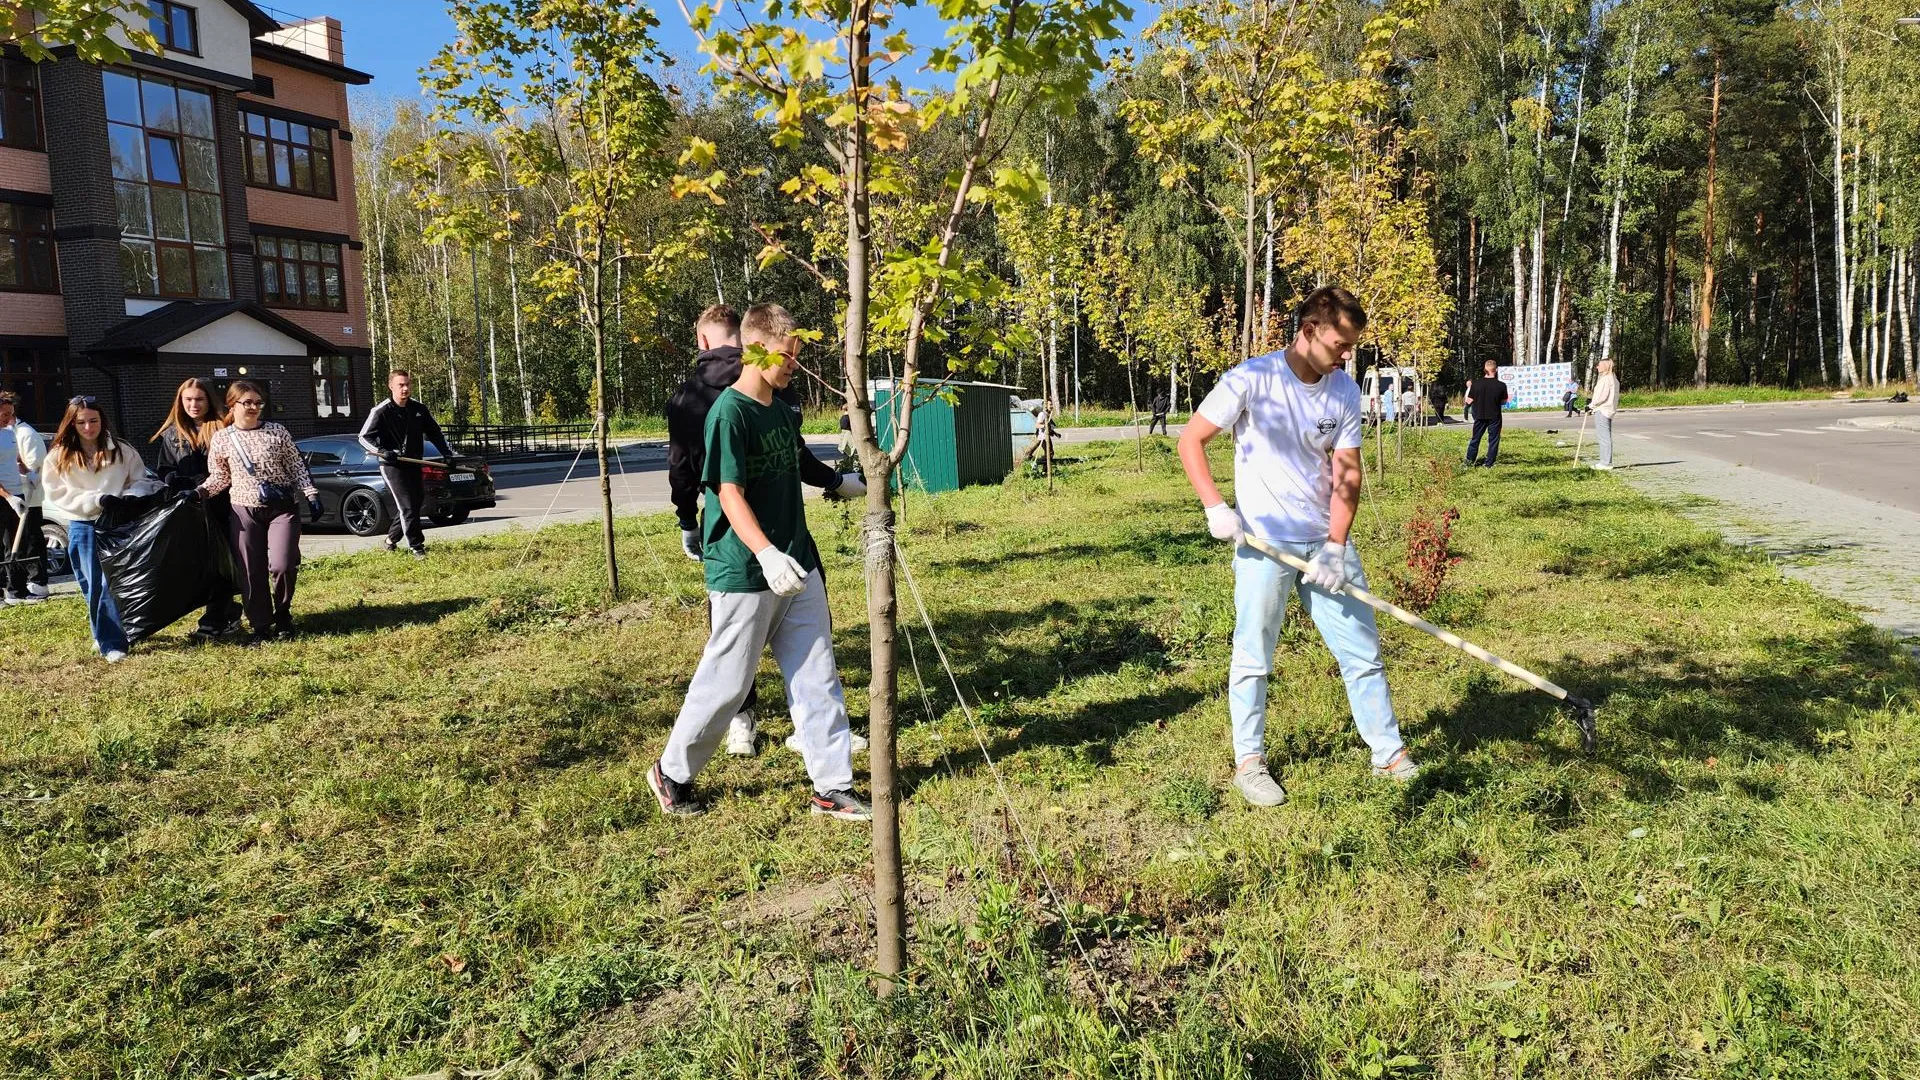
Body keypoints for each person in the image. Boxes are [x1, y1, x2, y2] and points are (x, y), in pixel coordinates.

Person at [1176, 287, 1419, 809]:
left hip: (1322, 542)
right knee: (1253, 655)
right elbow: (1190, 440)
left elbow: (1347, 470)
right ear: (1309, 330)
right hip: (1264, 544)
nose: (1347, 353)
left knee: (1362, 653)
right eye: (1340, 342)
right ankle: (1250, 762)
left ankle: (1389, 754)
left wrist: (1336, 545)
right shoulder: (1252, 379)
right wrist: (1216, 507)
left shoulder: (1343, 391)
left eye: (1352, 344)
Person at [648, 303, 871, 821]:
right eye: (787, 355)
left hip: (797, 562)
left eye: (796, 355)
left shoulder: (779, 406)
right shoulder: (729, 412)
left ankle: (831, 785)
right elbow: (728, 494)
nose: (795, 364)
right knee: (728, 682)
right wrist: (766, 553)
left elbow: (795, 459)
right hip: (746, 570)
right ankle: (672, 772)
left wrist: (839, 483)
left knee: (817, 674)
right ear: (754, 349)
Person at [198, 381, 322, 644]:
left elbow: (296, 466)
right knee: (251, 571)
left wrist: (311, 494)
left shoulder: (277, 431)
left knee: (282, 564)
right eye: (248, 403)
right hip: (244, 510)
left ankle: (284, 613)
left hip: (281, 509)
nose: (254, 407)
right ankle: (260, 626)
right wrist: (200, 492)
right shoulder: (222, 438)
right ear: (232, 405)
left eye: (258, 402)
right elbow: (219, 476)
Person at [41, 396, 148, 662]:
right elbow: (56, 492)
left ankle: (112, 638)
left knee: (111, 583)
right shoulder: (60, 454)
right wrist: (94, 500)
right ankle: (106, 638)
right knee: (92, 585)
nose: (88, 427)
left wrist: (130, 497)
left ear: (102, 420)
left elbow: (141, 479)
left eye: (93, 421)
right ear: (71, 423)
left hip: (117, 523)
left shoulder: (122, 450)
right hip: (83, 524)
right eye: (81, 422)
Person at [152, 378, 242, 637]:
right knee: (199, 568)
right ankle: (228, 613)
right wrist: (171, 479)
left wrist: (202, 485)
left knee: (222, 566)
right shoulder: (172, 433)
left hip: (222, 508)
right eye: (188, 399)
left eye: (199, 399)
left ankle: (212, 622)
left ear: (209, 400)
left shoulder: (224, 428)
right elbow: (164, 467)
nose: (193, 404)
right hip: (188, 511)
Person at [358, 370, 450, 559]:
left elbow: (435, 433)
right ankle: (417, 547)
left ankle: (391, 541)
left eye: (408, 384)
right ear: (391, 386)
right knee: (407, 506)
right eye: (401, 385)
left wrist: (447, 454)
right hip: (392, 466)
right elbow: (363, 437)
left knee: (415, 505)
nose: (405, 389)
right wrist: (383, 451)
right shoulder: (381, 411)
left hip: (413, 462)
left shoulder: (419, 409)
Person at [0, 392, 49, 606]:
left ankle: (16, 591)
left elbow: (16, 457)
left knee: (16, 543)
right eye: (3, 414)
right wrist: (8, 497)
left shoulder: (10, 432)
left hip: (16, 493)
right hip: (3, 496)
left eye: (10, 414)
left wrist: (28, 471)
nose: (7, 418)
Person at [1463, 359, 1509, 467]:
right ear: (1496, 370)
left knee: (1475, 439)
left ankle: (1469, 462)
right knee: (1493, 440)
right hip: (1495, 416)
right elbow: (1504, 401)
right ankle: (1489, 463)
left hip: (1479, 415)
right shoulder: (1501, 385)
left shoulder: (1476, 384)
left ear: (1484, 369)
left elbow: (1468, 400)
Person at [1589, 359, 1620, 470]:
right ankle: (1606, 461)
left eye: (1599, 365)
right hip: (1609, 409)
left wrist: (1591, 405)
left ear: (1605, 366)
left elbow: (1602, 396)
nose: (1597, 367)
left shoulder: (1606, 379)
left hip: (1602, 409)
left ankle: (1605, 463)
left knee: (1604, 437)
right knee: (1606, 436)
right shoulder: (1614, 379)